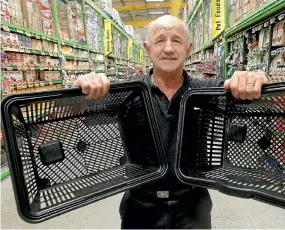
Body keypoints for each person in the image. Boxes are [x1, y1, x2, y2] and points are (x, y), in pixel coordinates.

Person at [73, 15, 268, 229]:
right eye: (159, 41)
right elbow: (71, 112)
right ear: (147, 48)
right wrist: (81, 87)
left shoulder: (208, 91)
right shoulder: (126, 93)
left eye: (176, 40)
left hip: (192, 207)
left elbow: (261, 100)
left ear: (188, 48)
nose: (168, 48)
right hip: (139, 206)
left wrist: (256, 78)